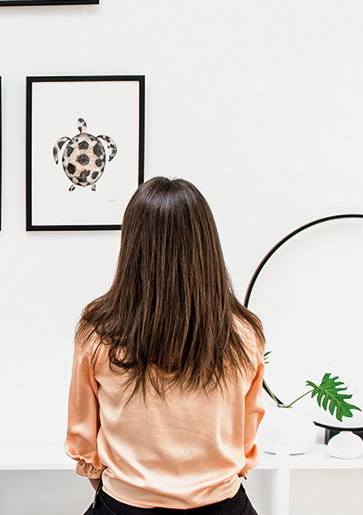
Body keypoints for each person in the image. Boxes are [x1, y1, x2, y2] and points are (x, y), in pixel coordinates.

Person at [66, 177, 266, 515]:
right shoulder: (243, 334)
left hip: (126, 505)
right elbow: (245, 438)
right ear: (205, 243)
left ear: (132, 245)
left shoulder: (99, 330)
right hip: (223, 506)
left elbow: (84, 439)